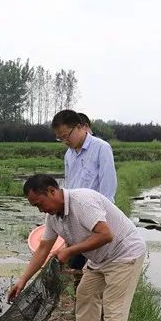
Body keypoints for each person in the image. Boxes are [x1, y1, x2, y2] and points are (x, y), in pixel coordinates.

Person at [8, 174, 145, 321]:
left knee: (114, 307)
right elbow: (43, 248)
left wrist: (70, 251)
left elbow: (106, 235)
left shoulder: (82, 202)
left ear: (52, 191)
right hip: (99, 259)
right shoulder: (53, 216)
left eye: (40, 203)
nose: (41, 209)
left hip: (124, 254)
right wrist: (22, 280)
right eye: (36, 207)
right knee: (85, 295)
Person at [53, 109, 117, 270]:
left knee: (93, 264)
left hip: (95, 217)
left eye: (66, 135)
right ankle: (78, 292)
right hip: (76, 218)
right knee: (75, 265)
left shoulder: (101, 148)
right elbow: (69, 186)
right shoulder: (69, 154)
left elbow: (108, 187)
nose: (65, 141)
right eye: (60, 138)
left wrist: (102, 220)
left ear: (81, 127)